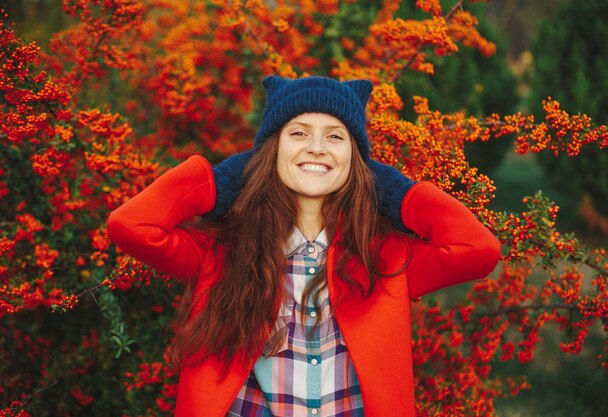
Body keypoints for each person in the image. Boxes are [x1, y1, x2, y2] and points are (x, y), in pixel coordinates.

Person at [107, 75, 501, 417]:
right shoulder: (222, 252)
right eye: (298, 133)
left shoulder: (386, 258)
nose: (316, 147)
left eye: (335, 137)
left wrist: (393, 191)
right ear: (271, 150)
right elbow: (131, 225)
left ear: (355, 157)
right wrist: (225, 179)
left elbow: (477, 249)